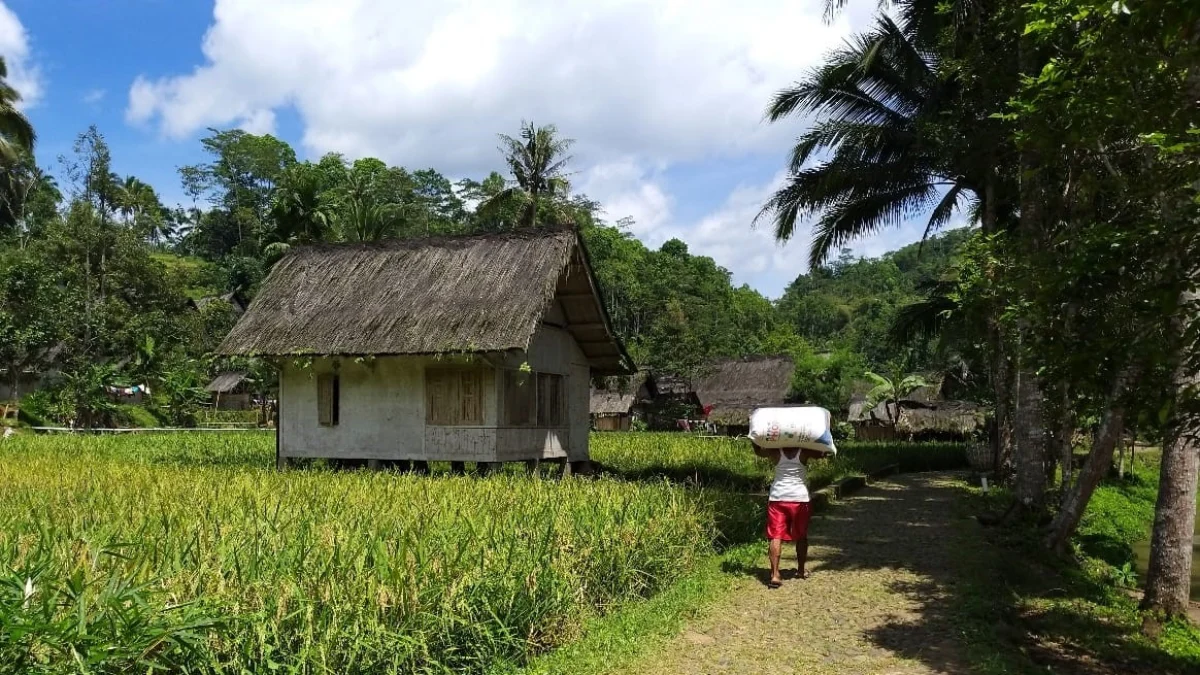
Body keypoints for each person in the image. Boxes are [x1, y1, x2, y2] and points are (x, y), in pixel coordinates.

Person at [753, 444, 822, 588]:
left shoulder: (774, 450)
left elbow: (759, 451)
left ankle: (775, 575)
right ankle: (801, 570)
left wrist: (754, 440)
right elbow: (822, 454)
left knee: (775, 536)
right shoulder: (804, 450)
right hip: (800, 499)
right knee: (801, 536)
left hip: (778, 498)